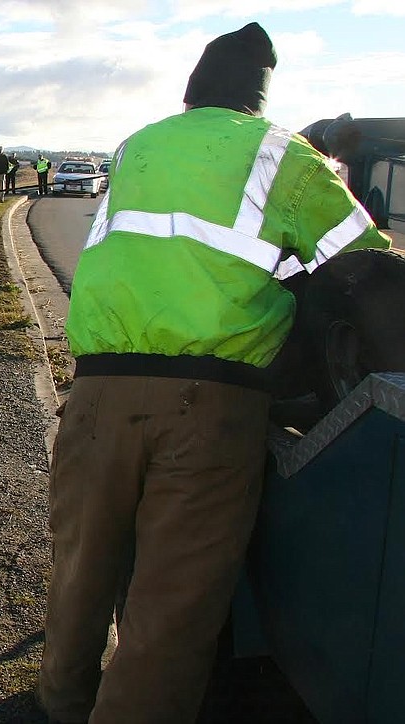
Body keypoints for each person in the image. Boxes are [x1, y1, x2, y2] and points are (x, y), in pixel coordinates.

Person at [36, 22, 390, 724]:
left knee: (82, 566)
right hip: (212, 403)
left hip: (98, 390)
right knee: (173, 608)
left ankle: (60, 702)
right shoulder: (282, 154)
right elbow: (365, 260)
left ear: (194, 90)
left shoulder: (137, 144)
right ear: (257, 97)